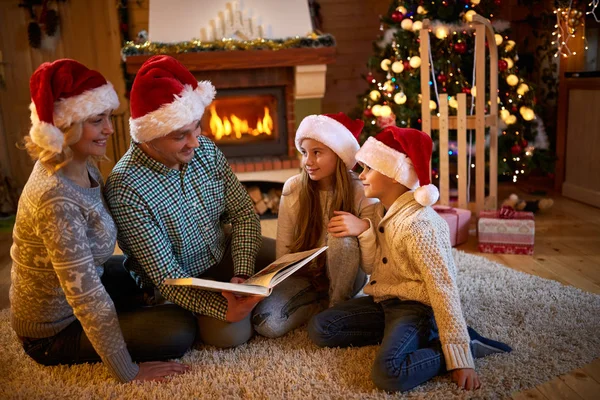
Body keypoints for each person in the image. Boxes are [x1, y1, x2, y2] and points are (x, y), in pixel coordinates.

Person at [10, 59, 196, 383]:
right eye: (98, 120)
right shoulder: (54, 198)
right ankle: (129, 324)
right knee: (178, 331)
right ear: (64, 128)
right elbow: (88, 298)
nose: (110, 129)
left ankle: (134, 311)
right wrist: (128, 371)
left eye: (108, 117)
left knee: (150, 272)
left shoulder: (83, 164)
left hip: (89, 276)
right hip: (54, 331)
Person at [308, 127, 511, 392]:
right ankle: (403, 337)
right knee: (321, 328)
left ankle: (462, 345)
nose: (362, 175)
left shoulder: (421, 225)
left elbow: (444, 289)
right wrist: (367, 230)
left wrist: (459, 357)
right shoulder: (384, 210)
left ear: (394, 174)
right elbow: (373, 269)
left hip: (417, 308)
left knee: (389, 374)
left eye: (370, 168)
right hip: (384, 300)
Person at [105, 55, 274, 349]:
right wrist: (224, 308)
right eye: (181, 135)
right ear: (150, 137)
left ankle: (269, 305)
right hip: (183, 283)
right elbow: (167, 277)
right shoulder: (126, 187)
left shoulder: (204, 149)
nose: (195, 142)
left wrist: (241, 272)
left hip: (222, 253)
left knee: (285, 254)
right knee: (231, 336)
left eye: (196, 127)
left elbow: (245, 214)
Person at [252, 113, 378, 338]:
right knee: (267, 324)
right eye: (304, 153)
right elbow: (284, 250)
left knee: (340, 234)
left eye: (317, 153)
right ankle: (319, 304)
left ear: (339, 154)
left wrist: (362, 227)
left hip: (347, 271)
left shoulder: (362, 190)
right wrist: (278, 285)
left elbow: (373, 265)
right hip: (305, 276)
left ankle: (338, 305)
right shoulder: (293, 189)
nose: (307, 161)